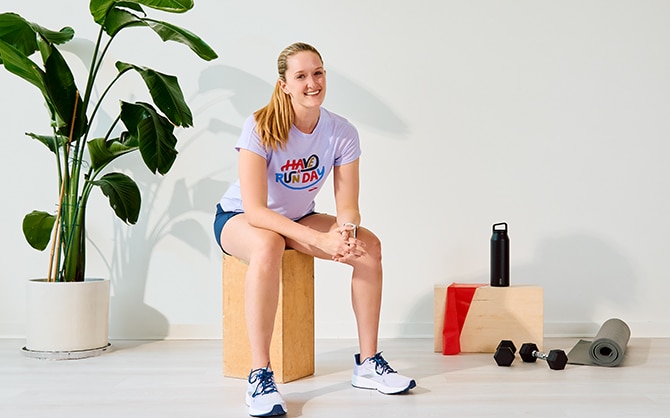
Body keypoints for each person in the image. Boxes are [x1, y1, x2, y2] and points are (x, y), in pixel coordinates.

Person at [213, 42, 415, 417]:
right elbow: (256, 211)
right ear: (284, 84)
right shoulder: (259, 126)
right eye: (301, 76)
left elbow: (348, 205)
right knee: (269, 245)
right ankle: (260, 375)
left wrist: (346, 231)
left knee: (369, 248)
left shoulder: (341, 132)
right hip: (240, 218)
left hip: (298, 218)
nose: (312, 83)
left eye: (318, 73)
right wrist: (317, 238)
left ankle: (368, 363)